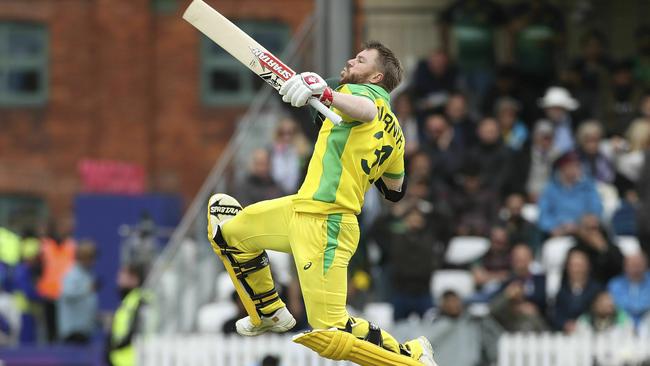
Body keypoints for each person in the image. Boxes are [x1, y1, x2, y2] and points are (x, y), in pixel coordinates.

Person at [206, 41, 437, 366]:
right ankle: (268, 311)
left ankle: (410, 358)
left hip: (328, 223)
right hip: (301, 210)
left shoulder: (365, 99)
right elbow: (395, 190)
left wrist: (328, 95)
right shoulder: (396, 133)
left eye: (360, 60)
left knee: (329, 331)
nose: (350, 61)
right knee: (226, 229)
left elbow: (366, 110)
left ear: (376, 77)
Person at [538, 151, 603, 237]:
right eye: (572, 165)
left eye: (578, 165)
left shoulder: (587, 186)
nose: (576, 169)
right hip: (561, 231)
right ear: (562, 167)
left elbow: (596, 206)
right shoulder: (550, 189)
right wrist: (555, 227)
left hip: (584, 230)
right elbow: (544, 214)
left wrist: (586, 220)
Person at [551, 249, 602, 333]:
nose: (577, 269)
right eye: (574, 265)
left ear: (588, 266)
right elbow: (556, 313)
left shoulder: (596, 289)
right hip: (564, 334)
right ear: (567, 267)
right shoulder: (561, 290)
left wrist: (581, 325)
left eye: (580, 265)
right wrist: (564, 324)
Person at [58, 241, 98, 344]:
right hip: (73, 332)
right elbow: (67, 293)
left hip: (83, 330)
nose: (93, 262)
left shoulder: (86, 274)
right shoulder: (72, 274)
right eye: (91, 258)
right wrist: (87, 289)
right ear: (84, 258)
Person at [109, 265, 148, 366]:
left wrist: (117, 345)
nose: (118, 282)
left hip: (134, 361)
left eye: (122, 278)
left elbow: (136, 330)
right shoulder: (127, 301)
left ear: (134, 279)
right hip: (120, 361)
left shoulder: (140, 301)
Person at [607, 253, 650, 327]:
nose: (636, 268)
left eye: (639, 265)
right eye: (632, 265)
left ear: (646, 266)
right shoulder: (614, 284)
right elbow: (612, 306)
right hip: (620, 325)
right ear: (625, 266)